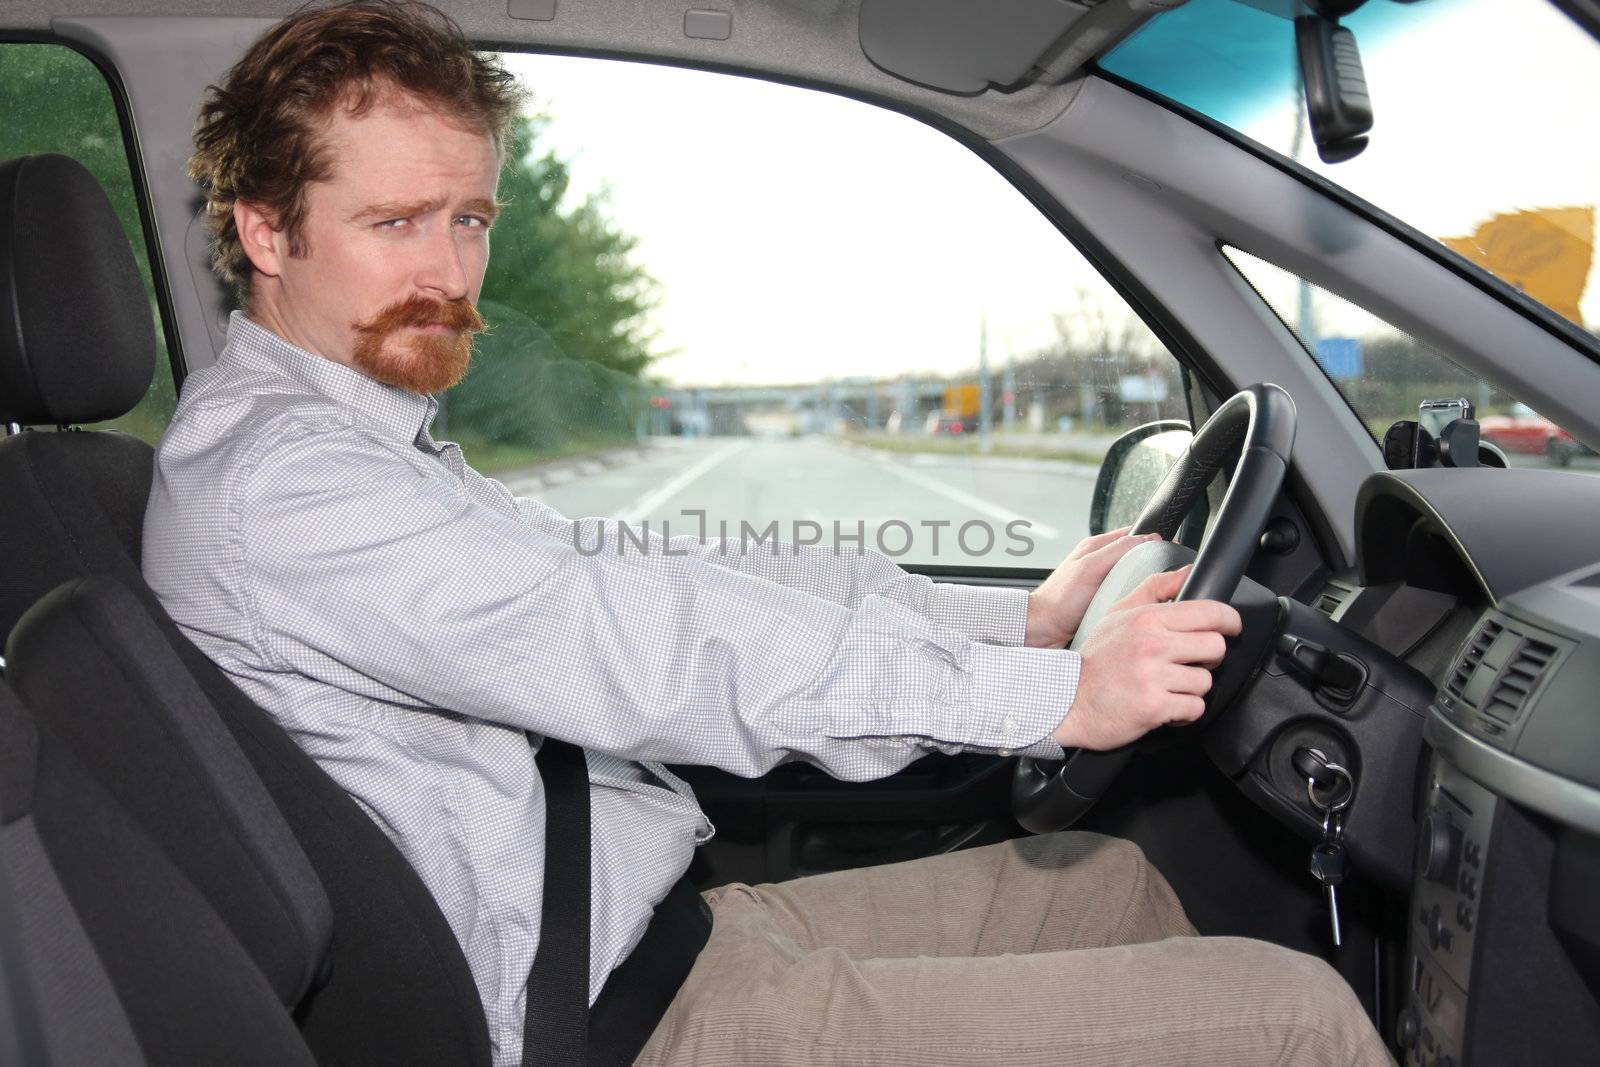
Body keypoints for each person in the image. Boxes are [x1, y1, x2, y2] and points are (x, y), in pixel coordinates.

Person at [145, 3, 1393, 1064]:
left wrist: (1015, 617)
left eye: (469, 218)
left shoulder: (356, 443)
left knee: (1116, 879)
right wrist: (1046, 694)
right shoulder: (285, 486)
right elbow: (650, 645)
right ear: (266, 230)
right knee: (1296, 1016)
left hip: (654, 935)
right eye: (395, 223)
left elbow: (652, 570)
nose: (449, 271)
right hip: (622, 1020)